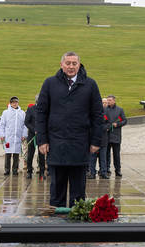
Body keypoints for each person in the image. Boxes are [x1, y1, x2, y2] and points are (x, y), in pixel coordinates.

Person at [35, 51, 104, 208]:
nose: (71, 66)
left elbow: (98, 115)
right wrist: (42, 140)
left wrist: (96, 141)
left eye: (74, 63)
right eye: (68, 63)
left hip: (80, 144)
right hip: (56, 144)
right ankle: (55, 226)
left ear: (79, 65)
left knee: (78, 193)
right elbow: (41, 113)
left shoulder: (90, 85)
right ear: (61, 65)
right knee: (57, 191)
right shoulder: (50, 83)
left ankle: (76, 227)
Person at [0, 96, 27, 175]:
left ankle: (15, 169)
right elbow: (2, 125)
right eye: (13, 102)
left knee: (16, 154)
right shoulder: (5, 113)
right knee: (8, 154)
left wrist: (24, 134)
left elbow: (25, 125)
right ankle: (7, 169)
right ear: (10, 103)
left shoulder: (22, 113)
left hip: (17, 137)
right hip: (8, 137)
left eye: (16, 102)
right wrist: (2, 134)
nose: (15, 104)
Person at [104, 94, 126, 175]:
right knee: (106, 154)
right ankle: (106, 169)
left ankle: (118, 170)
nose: (108, 102)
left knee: (116, 155)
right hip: (106, 135)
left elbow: (124, 121)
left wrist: (118, 124)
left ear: (114, 100)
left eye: (109, 100)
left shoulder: (120, 110)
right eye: (107, 100)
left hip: (116, 136)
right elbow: (102, 121)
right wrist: (107, 126)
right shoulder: (104, 110)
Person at [91, 96, 111, 178]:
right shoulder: (93, 112)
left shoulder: (107, 113)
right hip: (93, 139)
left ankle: (103, 172)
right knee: (92, 158)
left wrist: (104, 128)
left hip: (103, 139)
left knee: (103, 158)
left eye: (105, 102)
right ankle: (92, 173)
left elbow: (109, 124)